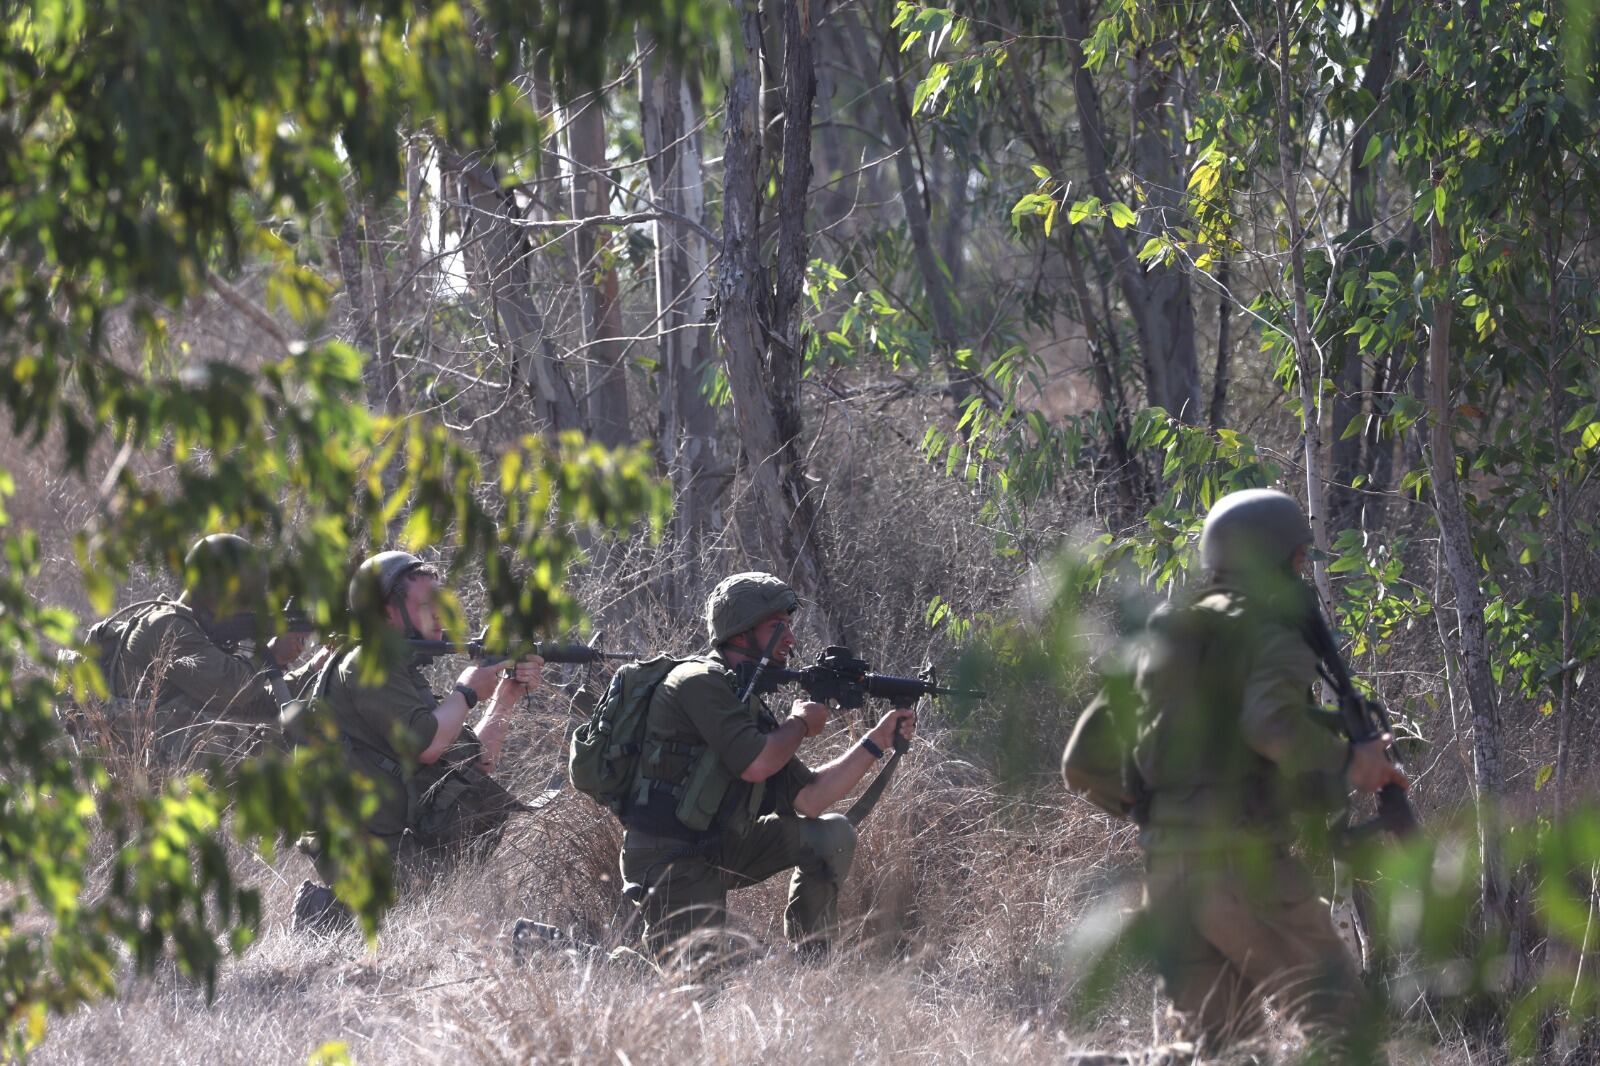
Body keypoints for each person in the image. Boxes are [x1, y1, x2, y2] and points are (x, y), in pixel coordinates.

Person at [1119, 489, 1409, 1058]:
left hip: (1166, 874)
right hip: (1240, 872)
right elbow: (1270, 728)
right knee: (1347, 1027)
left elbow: (1096, 759)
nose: (1302, 572)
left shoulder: (1171, 636)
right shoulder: (1270, 634)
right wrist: (1354, 761)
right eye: (1299, 560)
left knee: (1226, 1048)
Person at [618, 572, 916, 962]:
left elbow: (811, 799)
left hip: (718, 847)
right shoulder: (697, 682)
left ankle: (811, 960)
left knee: (833, 834)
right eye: (778, 627)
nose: (791, 640)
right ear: (741, 634)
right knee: (698, 987)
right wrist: (800, 725)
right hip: (669, 858)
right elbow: (758, 764)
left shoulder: (744, 700)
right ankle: (589, 954)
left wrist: (877, 740)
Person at [292, 550, 543, 932]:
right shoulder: (365, 663)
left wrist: (504, 698)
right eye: (427, 605)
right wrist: (466, 691)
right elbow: (426, 745)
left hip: (390, 838)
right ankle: (329, 918)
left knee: (478, 808)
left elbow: (472, 763)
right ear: (386, 612)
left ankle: (347, 917)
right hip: (363, 846)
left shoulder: (399, 670)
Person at [74, 533, 320, 770]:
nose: (246, 609)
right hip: (150, 786)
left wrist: (314, 668)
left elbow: (255, 703)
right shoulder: (166, 627)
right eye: (242, 600)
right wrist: (272, 655)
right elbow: (233, 690)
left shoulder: (194, 631)